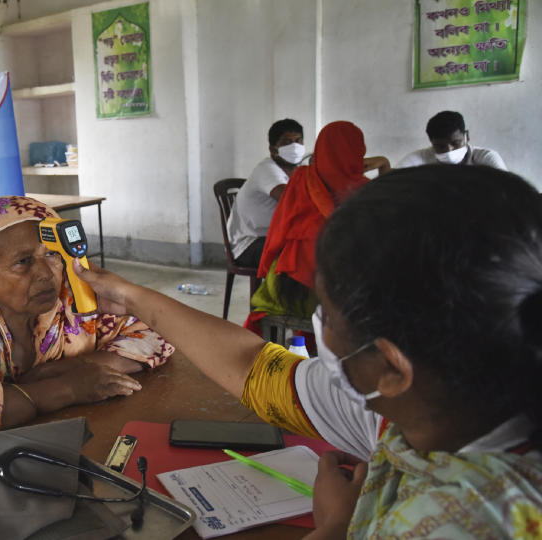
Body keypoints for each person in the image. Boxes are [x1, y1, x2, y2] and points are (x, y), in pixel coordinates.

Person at [75, 164, 542, 538]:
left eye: (329, 316)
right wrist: (131, 295)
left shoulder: (456, 521)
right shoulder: (434, 405)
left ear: (391, 367)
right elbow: (254, 368)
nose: (322, 332)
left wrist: (336, 528)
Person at [0, 196, 174, 445]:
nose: (46, 274)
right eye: (23, 261)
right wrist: (68, 388)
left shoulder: (74, 306)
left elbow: (162, 332)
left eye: (52, 255)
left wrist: (78, 367)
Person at [245, 121, 389, 332]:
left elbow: (278, 233)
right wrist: (383, 165)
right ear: (360, 150)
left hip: (287, 287)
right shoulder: (365, 191)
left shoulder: (301, 179)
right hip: (338, 297)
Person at [227, 119, 305, 268]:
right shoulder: (267, 169)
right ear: (272, 149)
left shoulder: (297, 170)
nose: (294, 147)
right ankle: (285, 291)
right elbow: (290, 199)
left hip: (272, 236)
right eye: (287, 142)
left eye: (298, 141)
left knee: (311, 245)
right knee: (302, 253)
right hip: (249, 244)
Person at [397, 110, 507, 170]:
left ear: (466, 136)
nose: (449, 150)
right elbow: (393, 181)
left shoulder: (486, 158)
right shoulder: (421, 158)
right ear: (431, 142)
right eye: (440, 146)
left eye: (456, 143)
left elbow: (507, 189)